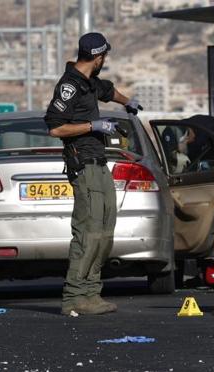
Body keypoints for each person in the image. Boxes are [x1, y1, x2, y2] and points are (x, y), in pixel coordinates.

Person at [45, 32, 143, 316]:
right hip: (83, 163)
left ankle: (91, 294)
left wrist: (127, 102)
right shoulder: (69, 87)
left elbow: (107, 90)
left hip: (98, 161)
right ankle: (74, 297)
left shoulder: (89, 83)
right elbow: (55, 127)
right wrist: (93, 126)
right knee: (88, 232)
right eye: (104, 57)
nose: (104, 61)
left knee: (104, 231)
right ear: (98, 57)